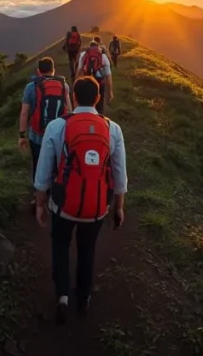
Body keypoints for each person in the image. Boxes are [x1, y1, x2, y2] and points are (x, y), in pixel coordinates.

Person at [34, 76, 127, 324]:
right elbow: (119, 173)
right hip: (96, 208)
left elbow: (43, 172)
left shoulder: (57, 126)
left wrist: (41, 204)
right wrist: (118, 207)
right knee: (87, 249)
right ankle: (84, 297)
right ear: (98, 98)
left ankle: (63, 296)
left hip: (63, 205)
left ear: (73, 97)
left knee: (60, 245)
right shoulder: (113, 129)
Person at [19, 57, 72, 212]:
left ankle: (38, 198)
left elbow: (24, 113)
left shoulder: (31, 86)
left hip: (37, 135)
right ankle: (54, 196)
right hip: (58, 136)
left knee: (38, 164)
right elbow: (69, 110)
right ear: (53, 69)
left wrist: (22, 136)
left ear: (38, 71)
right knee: (57, 165)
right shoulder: (64, 85)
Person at [77, 36, 113, 115]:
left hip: (86, 82)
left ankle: (86, 118)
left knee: (86, 103)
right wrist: (110, 92)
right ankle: (99, 118)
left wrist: (76, 85)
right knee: (99, 105)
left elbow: (79, 71)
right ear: (98, 47)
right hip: (99, 84)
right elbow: (108, 76)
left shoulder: (84, 55)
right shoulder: (103, 56)